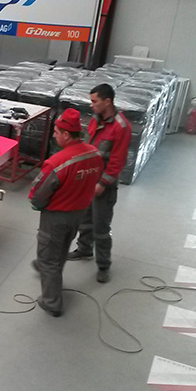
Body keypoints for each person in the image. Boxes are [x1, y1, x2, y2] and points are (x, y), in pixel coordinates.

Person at [30, 109, 103, 317]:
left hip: (56, 217)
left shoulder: (57, 162)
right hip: (79, 213)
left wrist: (38, 204)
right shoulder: (94, 154)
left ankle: (52, 302)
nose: (54, 136)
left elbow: (37, 194)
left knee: (48, 259)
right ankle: (53, 279)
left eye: (56, 132)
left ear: (66, 134)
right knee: (61, 250)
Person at [67, 83, 132, 283]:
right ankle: (84, 249)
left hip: (104, 185)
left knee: (101, 227)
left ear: (107, 101)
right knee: (85, 219)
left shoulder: (121, 127)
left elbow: (117, 161)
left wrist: (102, 184)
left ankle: (103, 265)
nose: (91, 105)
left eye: (95, 101)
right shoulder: (95, 119)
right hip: (88, 178)